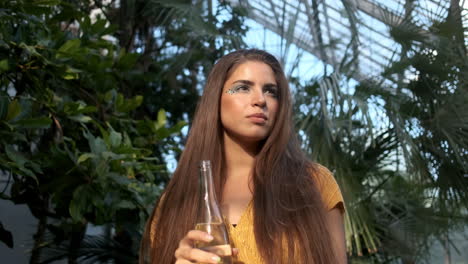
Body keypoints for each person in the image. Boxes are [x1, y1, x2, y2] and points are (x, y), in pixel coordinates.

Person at [139, 49, 346, 264]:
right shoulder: (175, 202)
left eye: (271, 92)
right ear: (215, 100)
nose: (260, 100)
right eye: (242, 88)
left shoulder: (314, 183)